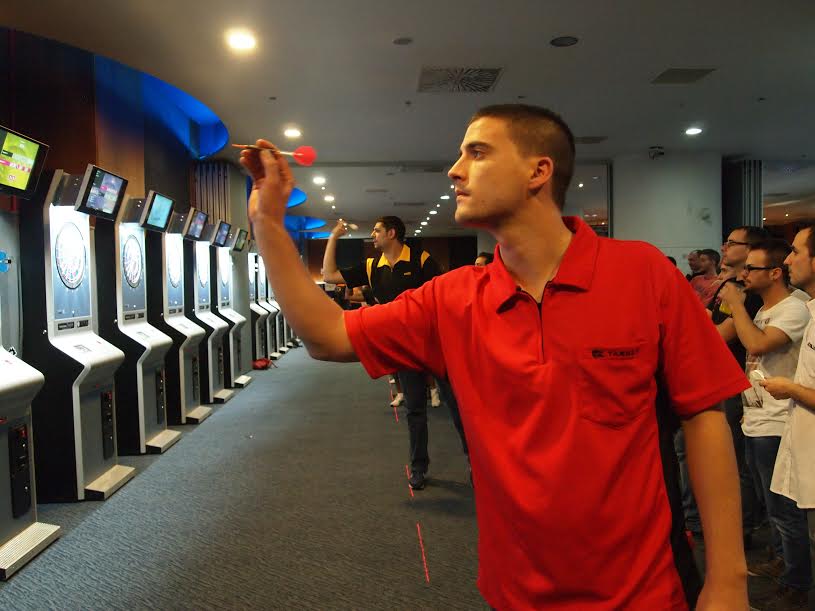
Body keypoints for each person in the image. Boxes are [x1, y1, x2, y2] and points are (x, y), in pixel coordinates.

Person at [240, 104, 749, 610]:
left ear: (538, 170)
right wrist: (267, 222)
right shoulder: (451, 298)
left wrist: (728, 582)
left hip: (646, 590)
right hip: (516, 592)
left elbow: (704, 417)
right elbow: (328, 337)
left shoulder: (642, 273)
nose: (455, 169)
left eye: (476, 153)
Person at [320, 216, 468, 490]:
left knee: (457, 406)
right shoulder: (372, 265)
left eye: (376, 230)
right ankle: (419, 468)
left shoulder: (421, 259)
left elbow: (444, 299)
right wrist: (333, 237)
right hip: (404, 347)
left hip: (436, 343)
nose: (372, 235)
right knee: (414, 410)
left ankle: (475, 464)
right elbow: (329, 276)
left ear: (391, 233)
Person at [719, 239, 811, 609]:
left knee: (785, 511)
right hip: (757, 419)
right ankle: (783, 561)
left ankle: (798, 581)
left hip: (777, 423)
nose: (743, 275)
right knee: (770, 506)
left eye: (750, 269)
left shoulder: (793, 309)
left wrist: (738, 306)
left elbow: (757, 345)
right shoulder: (764, 309)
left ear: (773, 273)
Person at [760, 224, 815, 610]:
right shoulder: (810, 309)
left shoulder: (798, 309)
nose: (789, 259)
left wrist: (791, 389)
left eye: (796, 251)